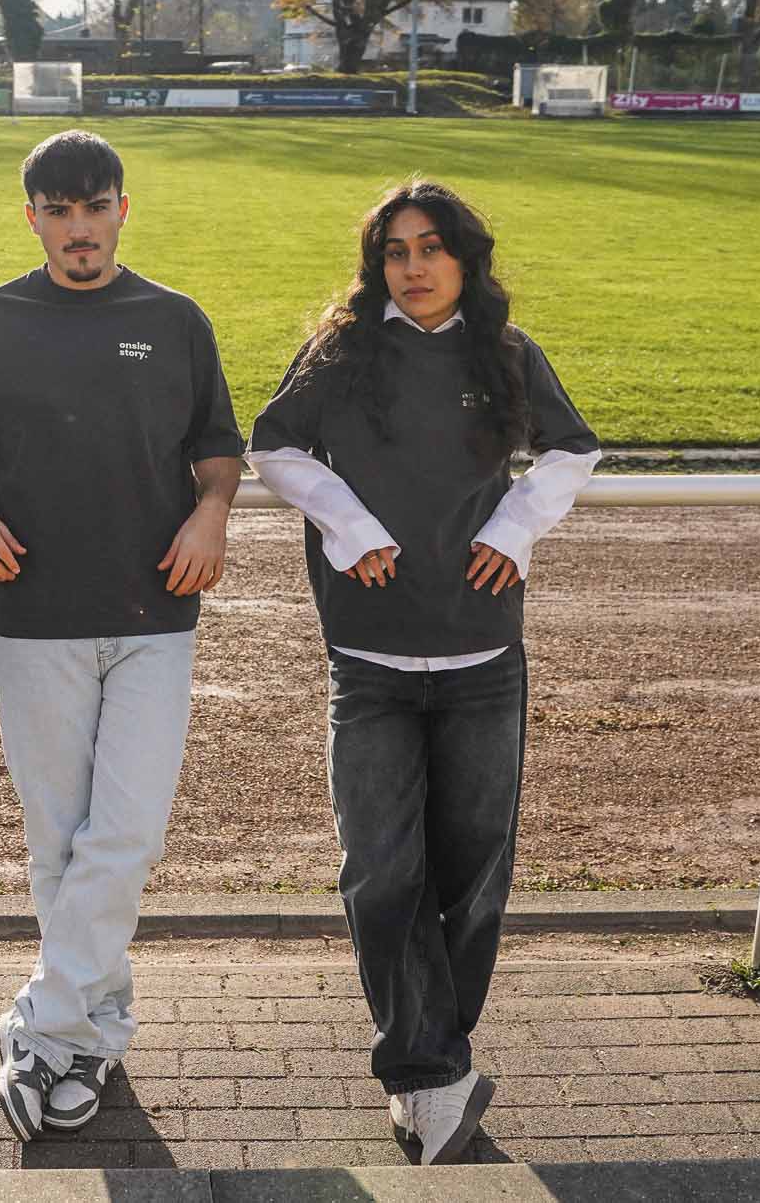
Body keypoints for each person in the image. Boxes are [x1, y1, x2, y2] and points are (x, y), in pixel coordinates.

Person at [246, 179, 601, 1164]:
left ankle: (432, 1055)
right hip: (368, 661)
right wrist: (347, 524)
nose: (413, 265)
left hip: (483, 655)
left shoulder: (505, 355)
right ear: (377, 266)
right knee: (378, 869)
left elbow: (573, 452)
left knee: (471, 868)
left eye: (430, 246)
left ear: (463, 258)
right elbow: (270, 447)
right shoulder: (343, 353)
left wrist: (515, 525)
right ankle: (424, 1072)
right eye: (395, 250)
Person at [0, 130, 243, 1140]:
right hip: (33, 614)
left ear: (120, 209)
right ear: (32, 219)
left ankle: (38, 1023)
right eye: (57, 211)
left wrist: (211, 516)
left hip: (156, 612)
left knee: (128, 830)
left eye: (93, 206)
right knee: (57, 839)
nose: (77, 228)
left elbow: (218, 449)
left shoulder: (174, 318)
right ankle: (92, 1036)